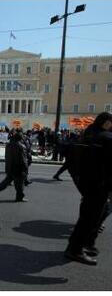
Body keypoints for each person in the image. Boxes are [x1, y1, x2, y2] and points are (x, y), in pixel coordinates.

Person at [64, 112, 112, 266]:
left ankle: (78, 245)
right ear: (106, 123)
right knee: (90, 219)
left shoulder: (87, 135)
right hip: (99, 186)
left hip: (86, 184)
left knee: (86, 217)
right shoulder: (105, 138)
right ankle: (75, 250)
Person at [0, 131, 28, 202]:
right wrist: (25, 169)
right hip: (18, 168)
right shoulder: (21, 146)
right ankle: (19, 197)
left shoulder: (8, 145)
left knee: (7, 181)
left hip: (10, 167)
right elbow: (23, 159)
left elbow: (7, 156)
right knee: (19, 184)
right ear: (20, 139)